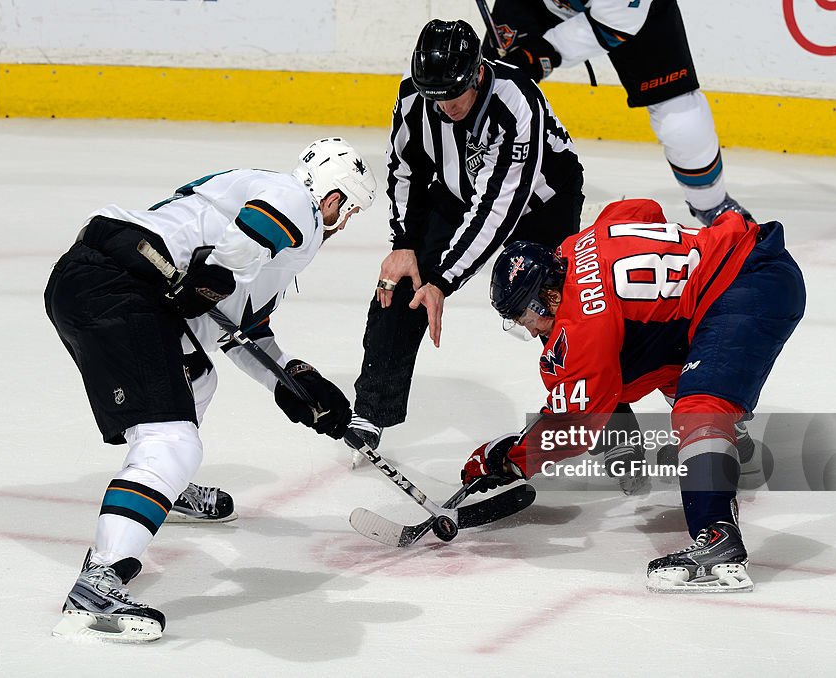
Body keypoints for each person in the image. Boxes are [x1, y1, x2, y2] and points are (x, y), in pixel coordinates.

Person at [44, 137, 376, 642]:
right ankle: (97, 586)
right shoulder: (293, 200)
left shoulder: (272, 246)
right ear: (332, 196)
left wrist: (300, 387)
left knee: (198, 376)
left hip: (100, 285)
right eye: (348, 208)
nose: (344, 220)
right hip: (118, 287)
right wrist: (215, 275)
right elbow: (256, 230)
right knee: (173, 442)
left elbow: (243, 334)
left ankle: (162, 488)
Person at [461, 199, 805, 592]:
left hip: (748, 285)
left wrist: (509, 460)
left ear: (549, 298)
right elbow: (641, 211)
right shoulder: (577, 244)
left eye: (526, 318)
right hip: (742, 259)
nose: (532, 331)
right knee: (653, 347)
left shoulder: (582, 326)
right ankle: (733, 451)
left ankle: (718, 542)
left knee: (700, 406)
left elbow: (574, 425)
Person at [346, 18, 585, 461]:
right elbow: (405, 170)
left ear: (477, 72)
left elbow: (499, 209)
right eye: (434, 97)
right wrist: (404, 242)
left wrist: (442, 279)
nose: (445, 106)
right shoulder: (414, 97)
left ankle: (606, 415)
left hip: (539, 202)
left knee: (554, 304)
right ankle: (372, 412)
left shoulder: (517, 103)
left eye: (454, 94)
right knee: (400, 281)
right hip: (458, 191)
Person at [483, 0, 752, 226]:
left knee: (678, 116)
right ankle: (472, 189)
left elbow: (612, 25)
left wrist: (543, 53)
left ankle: (714, 207)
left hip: (629, 14)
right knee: (488, 85)